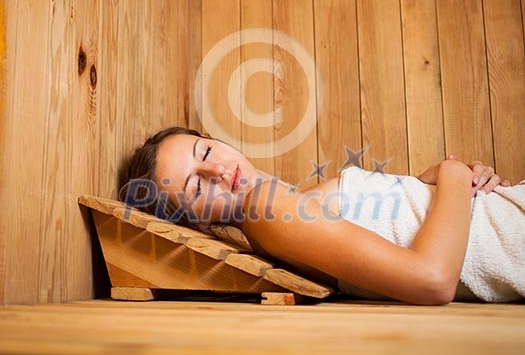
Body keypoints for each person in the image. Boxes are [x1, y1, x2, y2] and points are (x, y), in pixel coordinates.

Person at [120, 126, 524, 305]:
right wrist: (454, 176)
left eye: (204, 152)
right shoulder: (266, 208)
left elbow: (393, 225)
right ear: (198, 224)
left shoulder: (287, 206)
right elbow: (432, 281)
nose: (217, 171)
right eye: (196, 187)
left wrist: (431, 182)